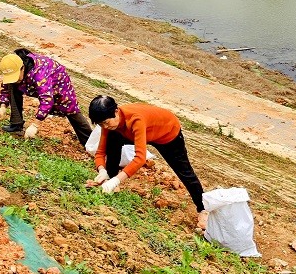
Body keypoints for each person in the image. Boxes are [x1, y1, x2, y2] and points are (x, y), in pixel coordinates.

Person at [85, 95, 208, 229]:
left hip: (167, 133)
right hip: (134, 131)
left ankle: (203, 208)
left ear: (116, 111)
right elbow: (101, 152)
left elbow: (140, 158)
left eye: (106, 122)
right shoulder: (109, 123)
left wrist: (117, 180)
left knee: (184, 171)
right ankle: (110, 179)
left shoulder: (135, 120)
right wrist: (102, 171)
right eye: (101, 124)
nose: (105, 126)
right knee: (113, 140)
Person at [0, 49, 93, 146]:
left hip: (59, 84)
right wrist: (3, 107)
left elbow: (47, 100)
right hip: (36, 81)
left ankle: (90, 143)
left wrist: (35, 125)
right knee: (12, 86)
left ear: (22, 68)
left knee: (70, 109)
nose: (15, 79)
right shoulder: (13, 67)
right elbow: (6, 86)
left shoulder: (40, 74)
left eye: (16, 76)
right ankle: (16, 124)